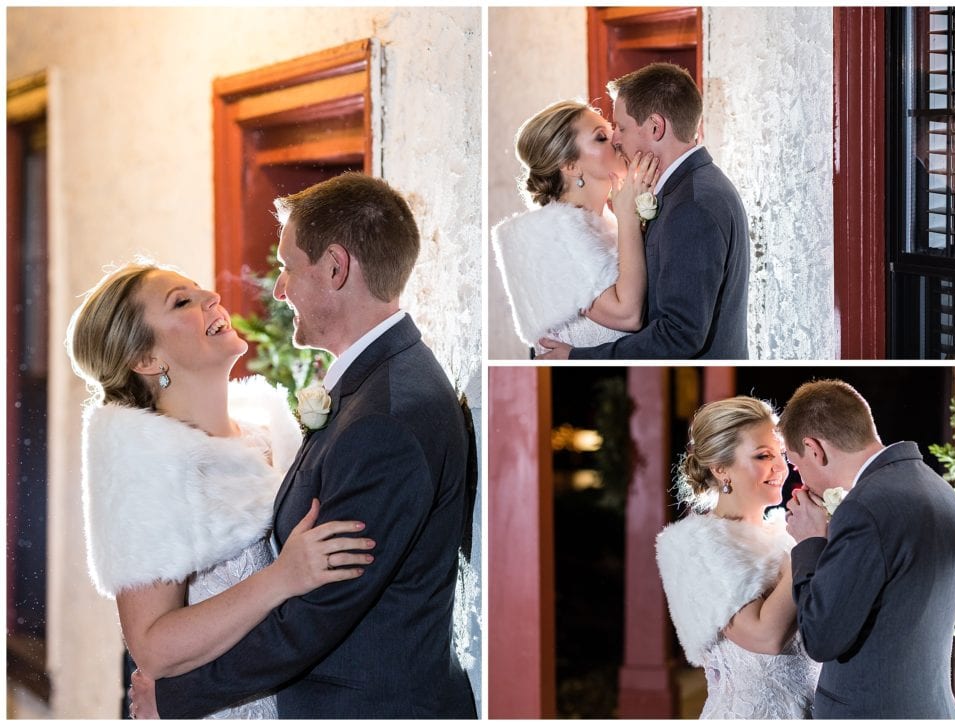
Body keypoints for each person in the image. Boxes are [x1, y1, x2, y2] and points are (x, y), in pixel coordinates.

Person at [133, 173, 477, 718]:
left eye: (288, 267)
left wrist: (179, 697)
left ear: (336, 268)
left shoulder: (385, 417)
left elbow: (319, 611)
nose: (279, 289)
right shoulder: (378, 384)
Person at [67, 262, 376, 719]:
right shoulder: (148, 468)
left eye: (197, 290)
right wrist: (282, 578)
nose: (210, 296)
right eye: (181, 301)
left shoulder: (270, 428)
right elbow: (152, 646)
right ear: (148, 361)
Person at [781, 379, 955, 718]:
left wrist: (810, 542)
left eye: (796, 464)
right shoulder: (940, 488)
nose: (800, 479)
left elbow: (821, 637)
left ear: (814, 449)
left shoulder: (864, 508)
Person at [539, 62, 750, 360]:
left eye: (622, 127)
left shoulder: (693, 203)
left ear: (655, 127)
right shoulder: (689, 188)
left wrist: (577, 359)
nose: (616, 138)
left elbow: (680, 334)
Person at [655, 396, 820, 718]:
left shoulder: (787, 532)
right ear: (721, 469)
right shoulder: (695, 545)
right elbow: (765, 637)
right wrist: (807, 550)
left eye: (781, 455)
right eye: (762, 456)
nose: (779, 468)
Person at [492, 100, 659, 353]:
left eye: (611, 130)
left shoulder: (604, 225)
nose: (616, 139)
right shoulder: (554, 235)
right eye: (601, 137)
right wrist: (629, 218)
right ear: (570, 166)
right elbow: (628, 315)